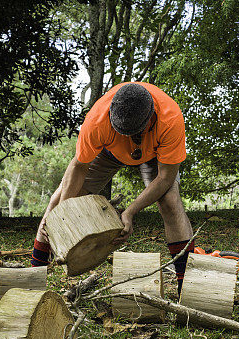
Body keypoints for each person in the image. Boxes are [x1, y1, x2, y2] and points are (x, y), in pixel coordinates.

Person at [30, 82, 195, 292]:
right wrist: (63, 215)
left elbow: (164, 178)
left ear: (151, 116)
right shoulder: (97, 118)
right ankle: (34, 279)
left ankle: (186, 285)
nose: (127, 138)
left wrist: (130, 212)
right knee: (57, 203)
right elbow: (79, 166)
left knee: (170, 202)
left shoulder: (170, 119)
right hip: (108, 152)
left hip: (155, 154)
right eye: (122, 131)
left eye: (132, 133)